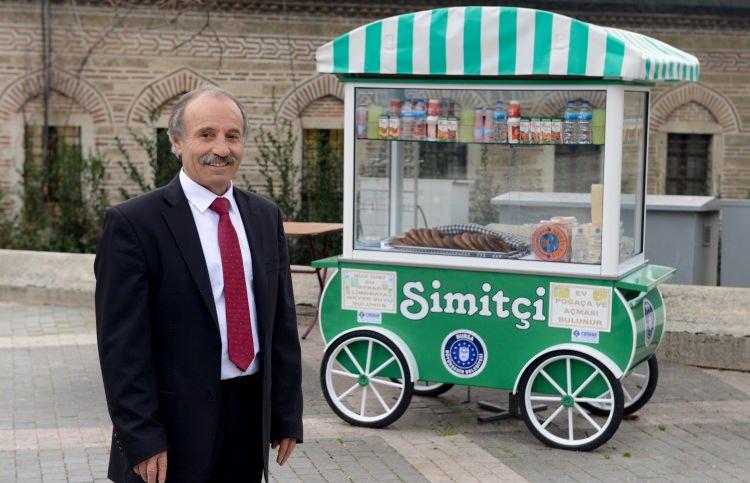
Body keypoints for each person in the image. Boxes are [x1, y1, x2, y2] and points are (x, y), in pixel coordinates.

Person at [95, 85, 303, 483]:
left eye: (232, 136)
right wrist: (141, 436)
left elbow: (281, 321)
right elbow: (121, 346)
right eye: (206, 134)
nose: (221, 149)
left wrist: (286, 413)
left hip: (247, 417)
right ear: (176, 142)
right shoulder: (135, 223)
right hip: (171, 427)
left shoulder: (264, 216)